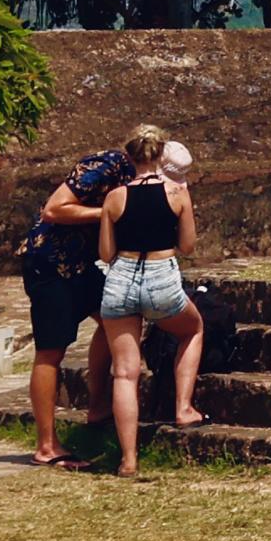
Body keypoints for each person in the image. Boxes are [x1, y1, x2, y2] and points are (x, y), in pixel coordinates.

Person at [94, 125, 201, 465]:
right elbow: (187, 246)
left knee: (125, 372)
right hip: (160, 276)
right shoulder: (176, 193)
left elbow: (106, 253)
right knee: (193, 329)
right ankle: (183, 407)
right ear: (160, 155)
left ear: (130, 157)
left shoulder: (115, 197)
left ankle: (128, 458)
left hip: (122, 277)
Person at [18, 153, 117, 465]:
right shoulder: (104, 167)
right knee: (51, 350)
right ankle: (46, 445)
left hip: (81, 265)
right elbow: (54, 209)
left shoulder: (143, 182)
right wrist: (107, 213)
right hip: (48, 263)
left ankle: (98, 405)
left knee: (115, 320)